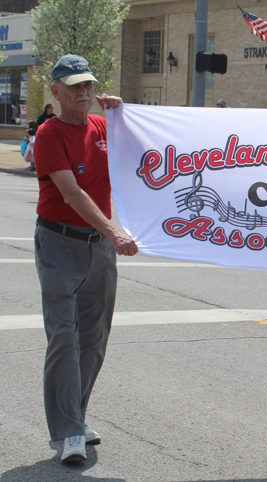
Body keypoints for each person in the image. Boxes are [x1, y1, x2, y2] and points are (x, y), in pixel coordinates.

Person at [33, 54, 139, 463]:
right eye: (74, 86)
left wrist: (124, 114)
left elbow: (148, 156)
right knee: (64, 336)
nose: (84, 92)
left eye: (89, 85)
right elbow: (71, 193)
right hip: (59, 243)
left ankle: (75, 416)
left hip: (98, 247)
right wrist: (114, 231)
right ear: (55, 91)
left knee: (94, 339)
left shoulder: (103, 125)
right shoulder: (49, 133)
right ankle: (68, 433)